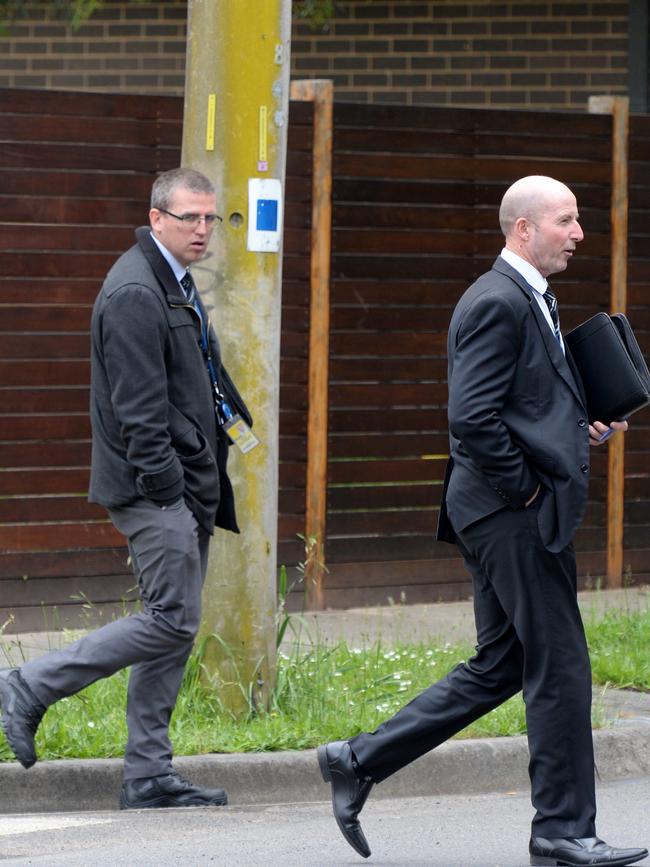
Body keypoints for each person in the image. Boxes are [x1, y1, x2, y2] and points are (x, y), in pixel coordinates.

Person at [317, 176, 648, 867]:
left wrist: (573, 425)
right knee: (559, 666)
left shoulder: (531, 298)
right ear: (523, 228)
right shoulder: (497, 300)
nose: (579, 233)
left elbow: (521, 399)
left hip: (499, 510)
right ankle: (561, 831)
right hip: (511, 514)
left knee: (504, 663)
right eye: (567, 220)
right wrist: (527, 489)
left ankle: (357, 760)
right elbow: (471, 417)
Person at [0, 167, 252, 810]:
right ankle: (28, 685)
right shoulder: (136, 291)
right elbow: (138, 411)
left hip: (187, 482)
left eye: (210, 218)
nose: (202, 229)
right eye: (189, 217)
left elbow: (192, 375)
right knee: (173, 618)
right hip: (155, 487)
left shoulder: (173, 281)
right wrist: (169, 488)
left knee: (176, 627)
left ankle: (147, 774)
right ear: (157, 217)